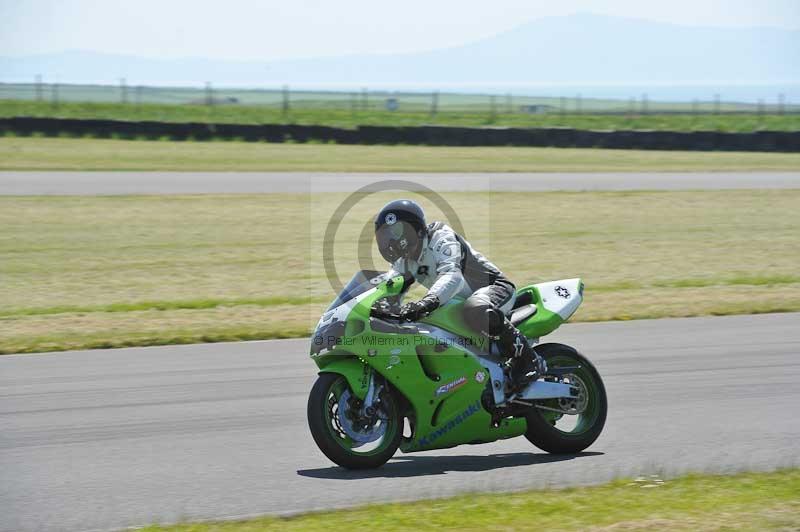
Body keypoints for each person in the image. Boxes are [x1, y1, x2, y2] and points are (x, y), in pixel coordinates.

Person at [374, 199, 543, 391]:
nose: (389, 241)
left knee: (475, 308)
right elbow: (388, 286)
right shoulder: (404, 261)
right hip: (457, 304)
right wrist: (369, 306)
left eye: (394, 233)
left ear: (414, 229)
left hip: (495, 289)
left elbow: (452, 276)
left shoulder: (440, 238)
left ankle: (528, 359)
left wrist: (426, 302)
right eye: (385, 236)